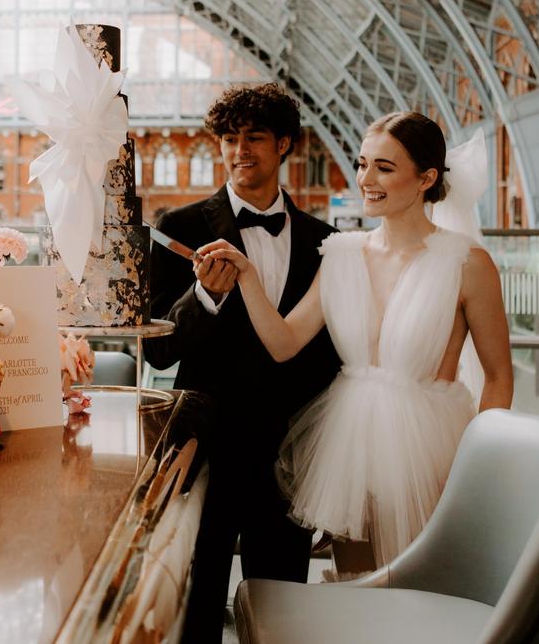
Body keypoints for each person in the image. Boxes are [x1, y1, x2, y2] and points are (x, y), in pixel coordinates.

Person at [200, 111, 513, 570]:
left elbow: (499, 376)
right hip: (349, 448)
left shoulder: (467, 263)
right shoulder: (342, 253)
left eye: (384, 168)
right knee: (357, 585)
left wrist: (480, 466)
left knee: (422, 591)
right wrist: (246, 276)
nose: (366, 179)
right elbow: (284, 343)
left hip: (431, 451)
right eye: (363, 164)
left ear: (426, 178)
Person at [144, 84, 339, 641]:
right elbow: (158, 347)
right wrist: (203, 299)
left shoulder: (324, 241)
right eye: (229, 139)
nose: (239, 150)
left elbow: (328, 354)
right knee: (197, 597)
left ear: (284, 145)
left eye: (254, 137)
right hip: (205, 444)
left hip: (288, 450)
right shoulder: (178, 227)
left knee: (282, 606)